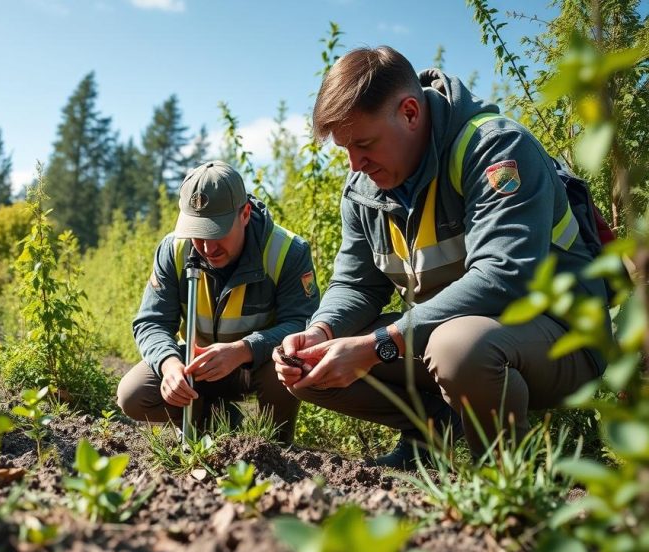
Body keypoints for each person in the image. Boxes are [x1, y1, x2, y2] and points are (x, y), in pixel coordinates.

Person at [273, 46, 609, 467]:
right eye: (345, 149)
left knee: (456, 347)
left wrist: (378, 345)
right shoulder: (364, 187)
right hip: (449, 336)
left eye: (364, 143)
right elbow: (356, 284)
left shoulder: (496, 149)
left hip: (561, 337)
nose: (355, 163)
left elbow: (503, 276)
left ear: (410, 113)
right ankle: (431, 438)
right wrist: (321, 333)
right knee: (309, 368)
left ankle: (509, 477)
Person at [118, 160, 319, 444]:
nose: (208, 248)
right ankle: (209, 423)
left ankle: (276, 445)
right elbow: (152, 321)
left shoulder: (287, 251)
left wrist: (243, 350)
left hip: (259, 365)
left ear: (245, 214)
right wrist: (169, 365)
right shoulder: (173, 249)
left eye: (217, 232)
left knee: (289, 359)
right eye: (199, 234)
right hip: (196, 366)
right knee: (133, 395)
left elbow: (303, 325)